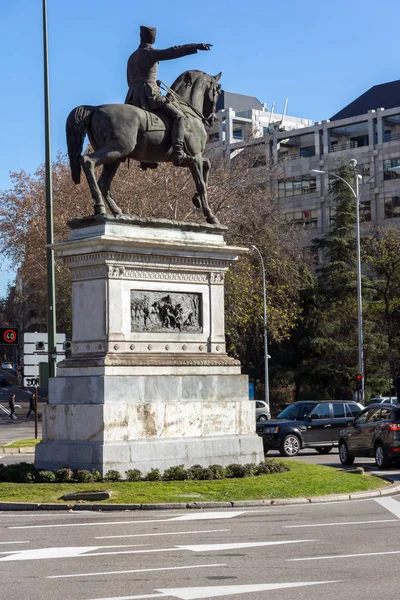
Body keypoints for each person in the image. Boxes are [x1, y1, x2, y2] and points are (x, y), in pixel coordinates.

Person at [125, 25, 211, 165]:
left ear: (141, 37)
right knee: (179, 116)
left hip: (132, 97)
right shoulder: (150, 53)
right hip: (150, 95)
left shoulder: (132, 56)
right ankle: (178, 151)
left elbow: (130, 79)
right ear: (152, 39)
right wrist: (195, 46)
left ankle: (147, 158)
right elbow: (173, 51)